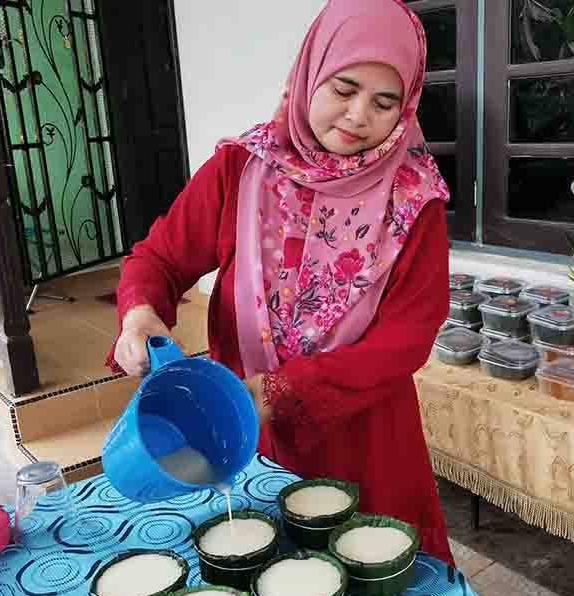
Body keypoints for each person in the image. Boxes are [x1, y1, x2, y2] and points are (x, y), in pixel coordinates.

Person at [108, 0, 454, 564]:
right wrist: (140, 312)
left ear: (406, 108)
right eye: (343, 89)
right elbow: (161, 258)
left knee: (373, 579)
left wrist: (285, 392)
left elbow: (407, 337)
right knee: (263, 575)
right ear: (310, 71)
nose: (359, 115)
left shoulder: (415, 203)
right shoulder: (241, 170)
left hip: (363, 435)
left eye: (384, 102)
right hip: (245, 429)